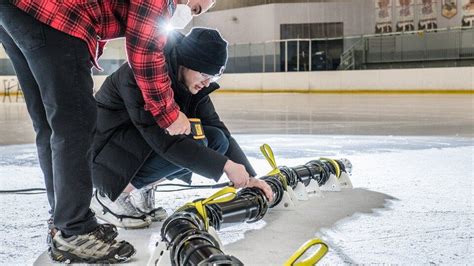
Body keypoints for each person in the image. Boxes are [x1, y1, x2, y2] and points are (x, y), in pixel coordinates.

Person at [0, 0, 215, 263]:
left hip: (18, 10)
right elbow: (144, 52)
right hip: (55, 13)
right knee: (75, 122)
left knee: (50, 123)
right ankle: (74, 231)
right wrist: (168, 114)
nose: (189, 15)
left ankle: (64, 221)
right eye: (196, 8)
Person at [90, 28, 274, 228]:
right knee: (195, 142)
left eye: (214, 77)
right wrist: (226, 166)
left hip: (136, 147)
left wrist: (249, 176)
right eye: (204, 73)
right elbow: (163, 141)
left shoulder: (192, 84)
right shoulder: (144, 75)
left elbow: (215, 126)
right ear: (186, 62)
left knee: (215, 139)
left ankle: (141, 188)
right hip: (103, 153)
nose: (207, 82)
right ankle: (109, 195)